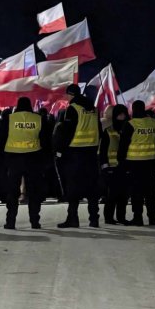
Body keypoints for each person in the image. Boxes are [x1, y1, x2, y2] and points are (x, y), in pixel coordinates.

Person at [57, 84, 101, 228]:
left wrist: (61, 151)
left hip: (75, 153)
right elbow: (99, 130)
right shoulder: (93, 109)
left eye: (67, 95)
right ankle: (94, 219)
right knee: (92, 188)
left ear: (71, 95)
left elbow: (68, 132)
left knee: (73, 187)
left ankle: (73, 219)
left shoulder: (73, 108)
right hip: (91, 153)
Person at [2, 97, 48, 229]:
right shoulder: (38, 118)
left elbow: (2, 137)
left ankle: (10, 222)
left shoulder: (10, 119)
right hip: (33, 159)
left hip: (13, 159)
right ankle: (35, 221)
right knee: (34, 192)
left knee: (12, 192)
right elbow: (44, 139)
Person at [118, 100, 155, 226]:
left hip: (134, 163)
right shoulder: (154, 122)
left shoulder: (130, 124)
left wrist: (121, 162)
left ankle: (138, 218)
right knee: (151, 193)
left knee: (137, 192)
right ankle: (152, 218)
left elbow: (123, 145)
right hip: (151, 162)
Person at [100, 104, 130, 225]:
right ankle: (109, 217)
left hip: (124, 167)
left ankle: (121, 217)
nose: (122, 116)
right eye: (120, 114)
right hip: (112, 168)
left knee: (124, 195)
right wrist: (105, 166)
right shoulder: (109, 131)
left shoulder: (128, 130)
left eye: (124, 114)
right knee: (111, 195)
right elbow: (103, 151)